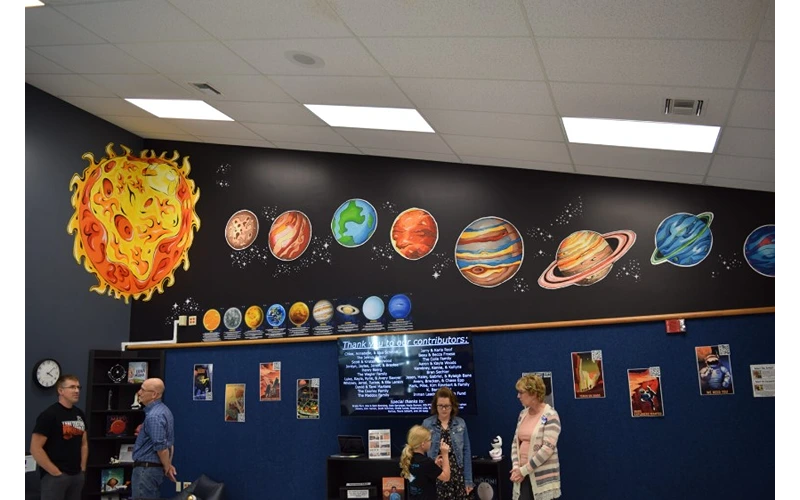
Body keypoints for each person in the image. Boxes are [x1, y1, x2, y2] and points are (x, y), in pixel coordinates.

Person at [29, 374, 88, 500]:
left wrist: (82, 468)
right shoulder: (49, 415)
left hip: (77, 475)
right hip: (55, 478)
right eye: (72, 387)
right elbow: (35, 448)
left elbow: (84, 443)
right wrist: (55, 472)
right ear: (61, 391)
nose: (77, 390)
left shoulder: (79, 414)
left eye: (78, 387)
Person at [509, 374, 562, 500]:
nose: (518, 396)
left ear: (533, 393)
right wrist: (516, 468)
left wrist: (524, 470)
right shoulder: (522, 414)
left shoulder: (551, 415)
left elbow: (547, 449)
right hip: (522, 477)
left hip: (542, 479)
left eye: (521, 392)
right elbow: (515, 444)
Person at [421, 387, 474, 499]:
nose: (444, 409)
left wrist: (468, 479)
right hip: (437, 473)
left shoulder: (460, 423)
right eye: (440, 406)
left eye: (447, 406)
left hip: (457, 474)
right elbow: (421, 452)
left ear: (452, 406)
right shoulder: (427, 424)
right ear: (435, 406)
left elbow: (466, 451)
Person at [131, 377, 177, 499]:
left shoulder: (154, 416)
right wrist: (168, 464)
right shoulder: (164, 411)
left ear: (154, 395)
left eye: (143, 390)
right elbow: (169, 444)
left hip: (146, 472)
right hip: (151, 470)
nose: (139, 393)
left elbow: (161, 447)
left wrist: (167, 467)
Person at [400, 425, 451, 500]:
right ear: (423, 444)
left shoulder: (408, 458)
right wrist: (445, 454)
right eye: (429, 440)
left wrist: (435, 465)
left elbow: (423, 473)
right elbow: (446, 477)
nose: (431, 442)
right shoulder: (426, 462)